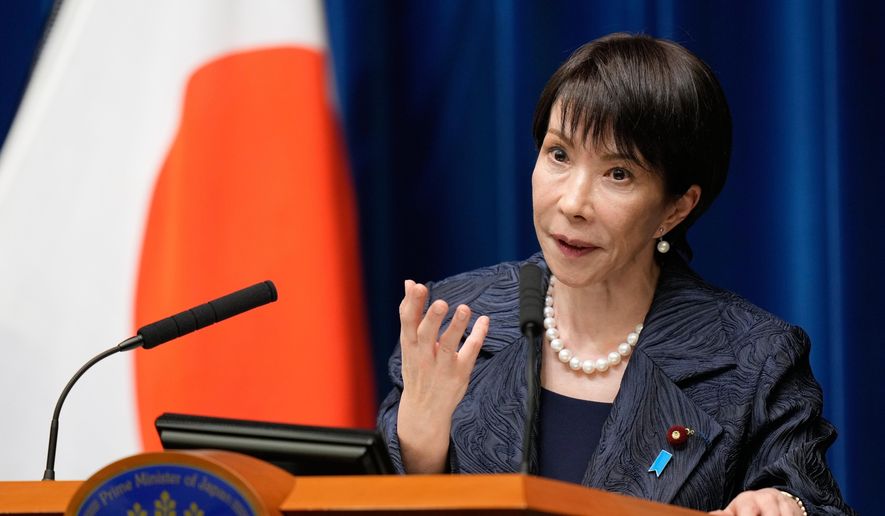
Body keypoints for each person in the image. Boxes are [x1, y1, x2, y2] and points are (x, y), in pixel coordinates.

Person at [377, 33, 853, 515]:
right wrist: (420, 451)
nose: (573, 203)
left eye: (619, 173)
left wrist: (784, 505)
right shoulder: (452, 325)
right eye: (559, 155)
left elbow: (811, 500)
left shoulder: (754, 359)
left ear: (675, 208)